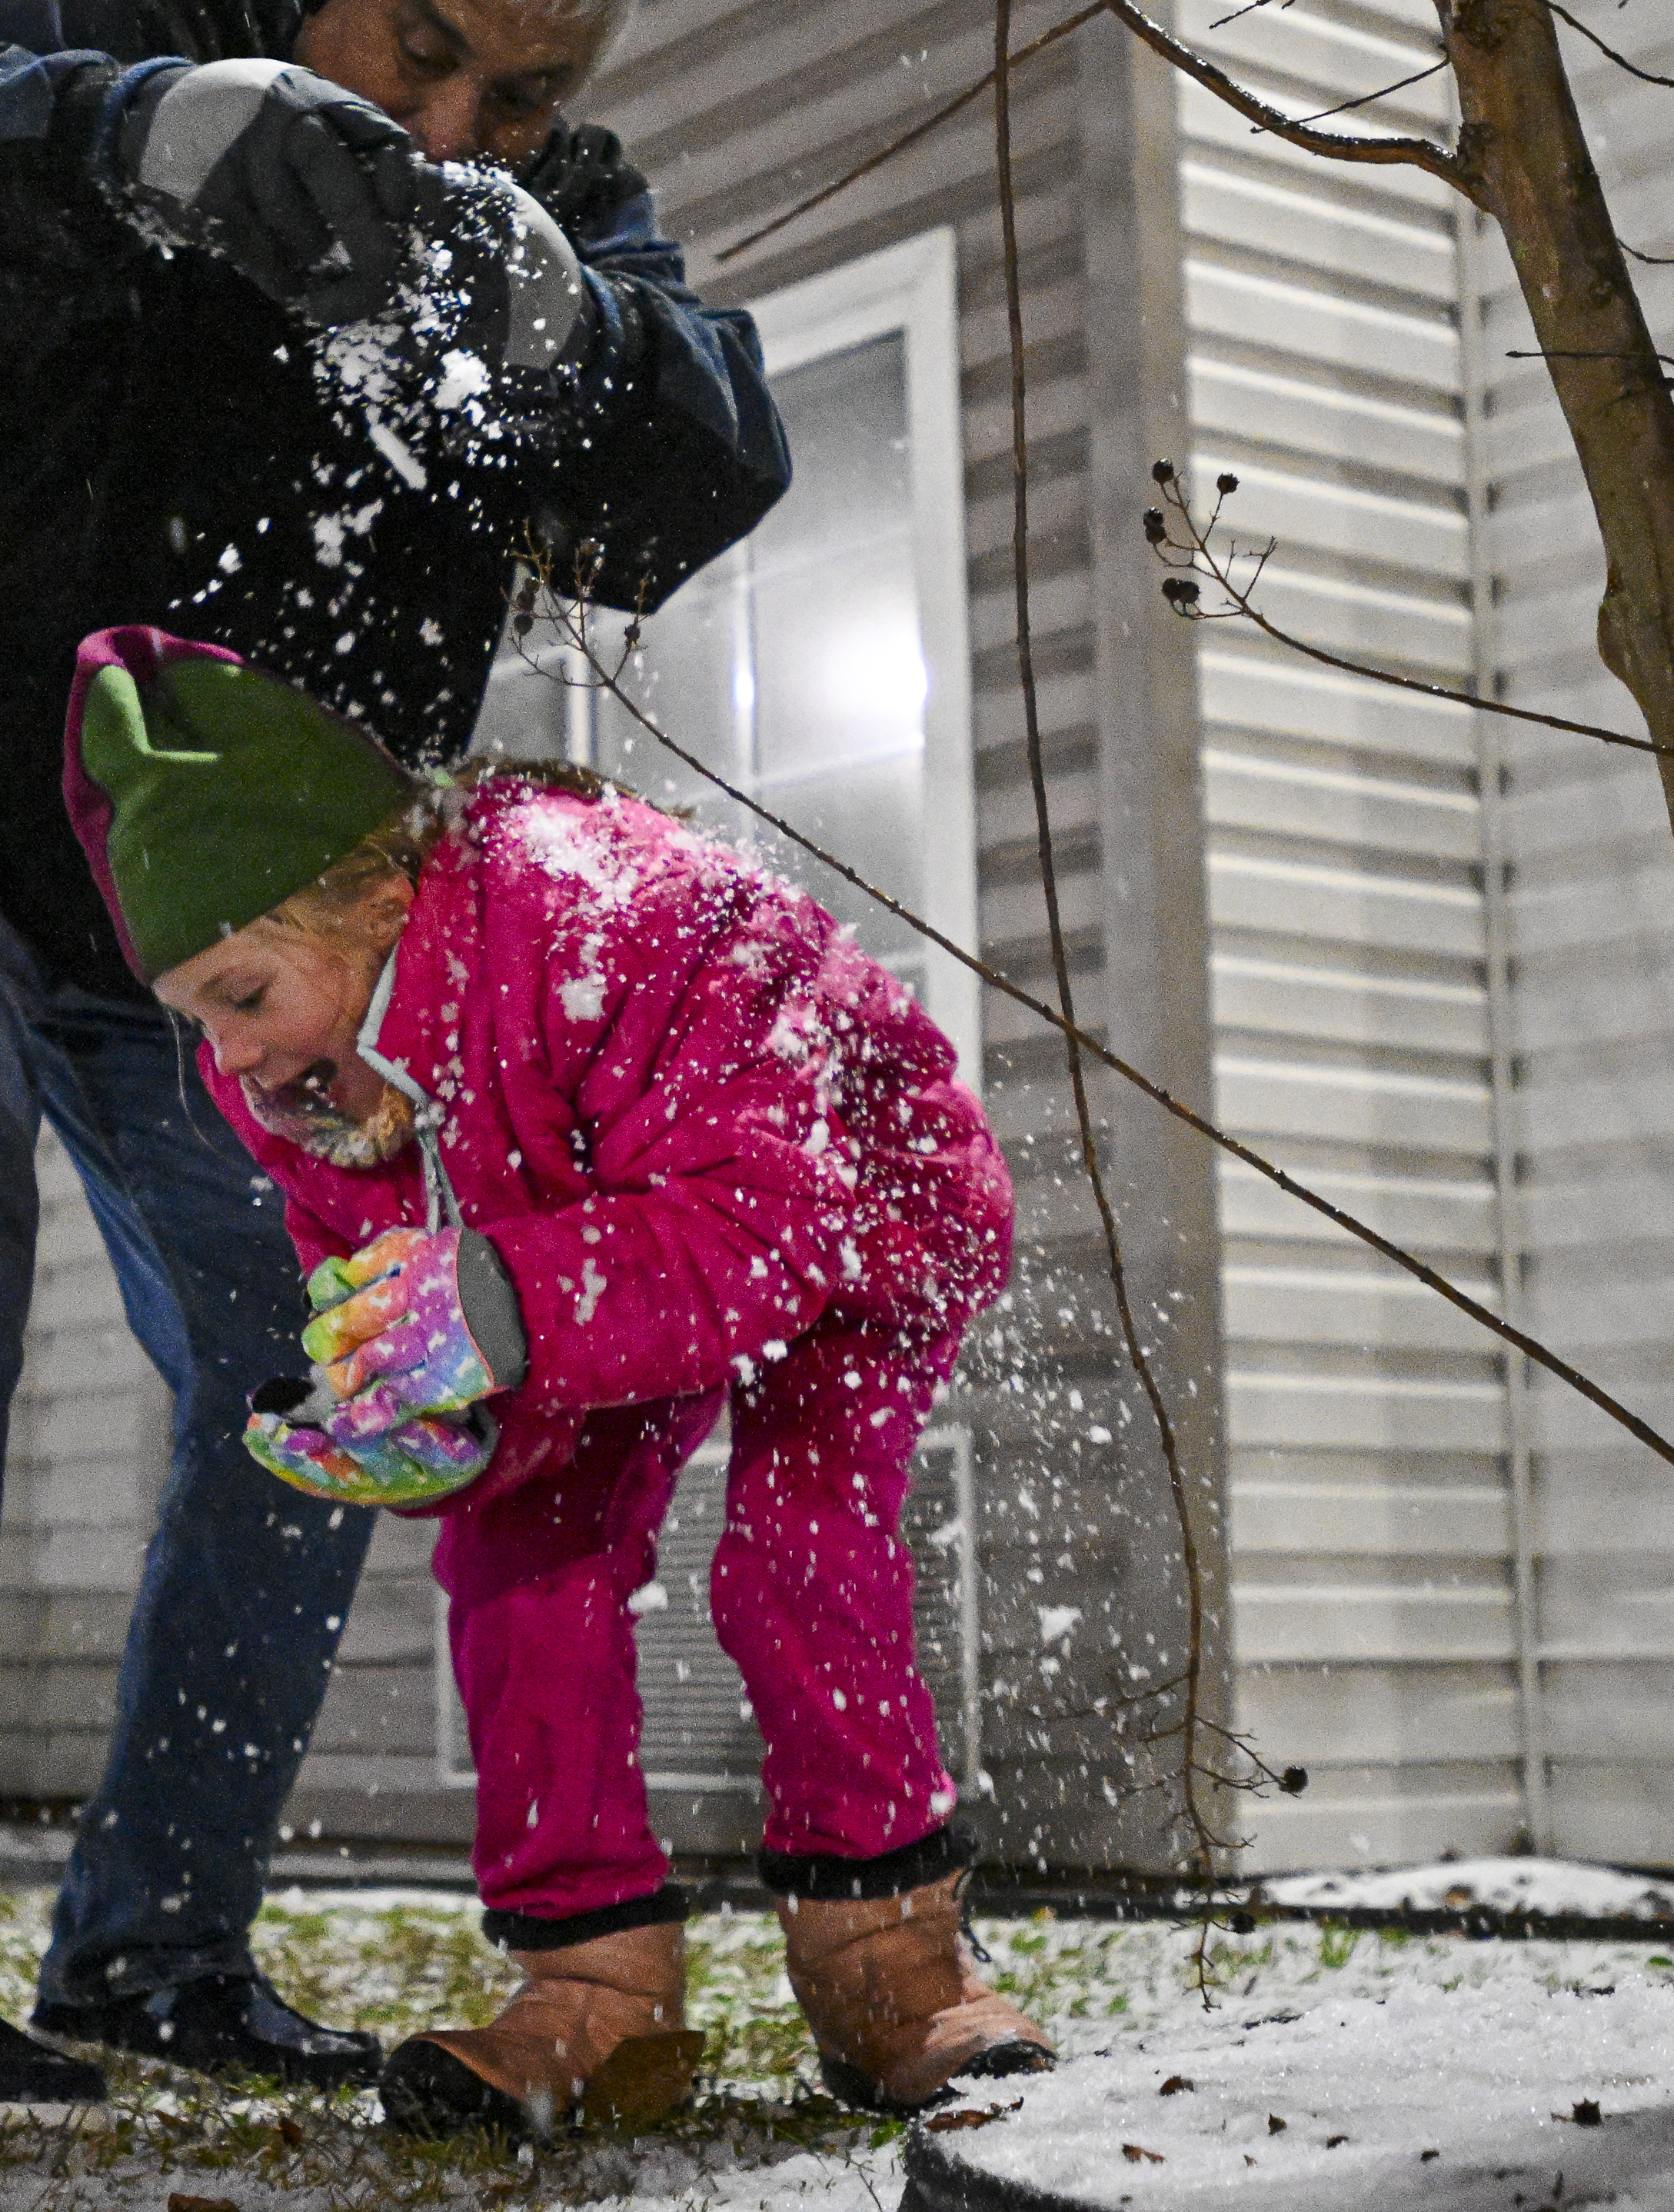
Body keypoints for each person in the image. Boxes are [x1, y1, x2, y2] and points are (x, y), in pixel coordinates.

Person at [0, 0, 790, 2114]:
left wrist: (563, 329)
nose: (455, 116)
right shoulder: (119, 35)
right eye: (421, 43)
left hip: (200, 923)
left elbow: (701, 451)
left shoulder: (544, 218)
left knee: (334, 1364)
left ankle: (156, 1943)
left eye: (524, 95)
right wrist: (138, 141)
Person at [61, 627, 1058, 2135]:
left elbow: (768, 1220)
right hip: (569, 1252)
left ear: (369, 891)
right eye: (200, 1012)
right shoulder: (295, 1078)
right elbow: (391, 1273)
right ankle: (591, 1980)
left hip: (855, 1215)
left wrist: (493, 1299)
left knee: (793, 1560)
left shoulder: (603, 908)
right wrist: (407, 1414)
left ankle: (887, 1959)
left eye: (245, 991)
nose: (236, 1057)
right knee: (520, 1551)